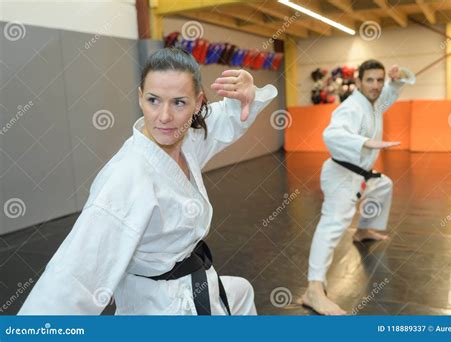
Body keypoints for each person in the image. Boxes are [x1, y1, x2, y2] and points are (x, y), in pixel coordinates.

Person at [18, 47, 277, 315]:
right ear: (141, 98)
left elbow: (225, 119)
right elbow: (73, 278)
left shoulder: (185, 142)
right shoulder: (126, 179)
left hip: (190, 285)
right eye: (154, 100)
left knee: (241, 291)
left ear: (198, 103)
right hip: (160, 307)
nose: (164, 117)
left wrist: (247, 96)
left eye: (179, 102)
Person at [300, 60, 415, 315]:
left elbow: (392, 91)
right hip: (341, 175)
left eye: (379, 80)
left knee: (383, 184)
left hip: (360, 174)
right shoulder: (352, 107)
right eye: (370, 80)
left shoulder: (374, 102)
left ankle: (362, 231)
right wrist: (365, 142)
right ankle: (313, 290)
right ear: (359, 81)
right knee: (332, 226)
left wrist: (398, 77)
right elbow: (332, 135)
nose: (375, 86)